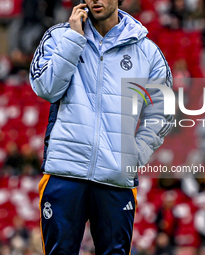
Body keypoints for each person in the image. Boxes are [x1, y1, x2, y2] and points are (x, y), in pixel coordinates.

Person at [29, 0, 173, 253]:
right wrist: (74, 39)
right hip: (64, 172)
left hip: (116, 180)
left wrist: (135, 153)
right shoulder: (61, 36)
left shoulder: (147, 52)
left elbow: (163, 111)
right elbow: (45, 88)